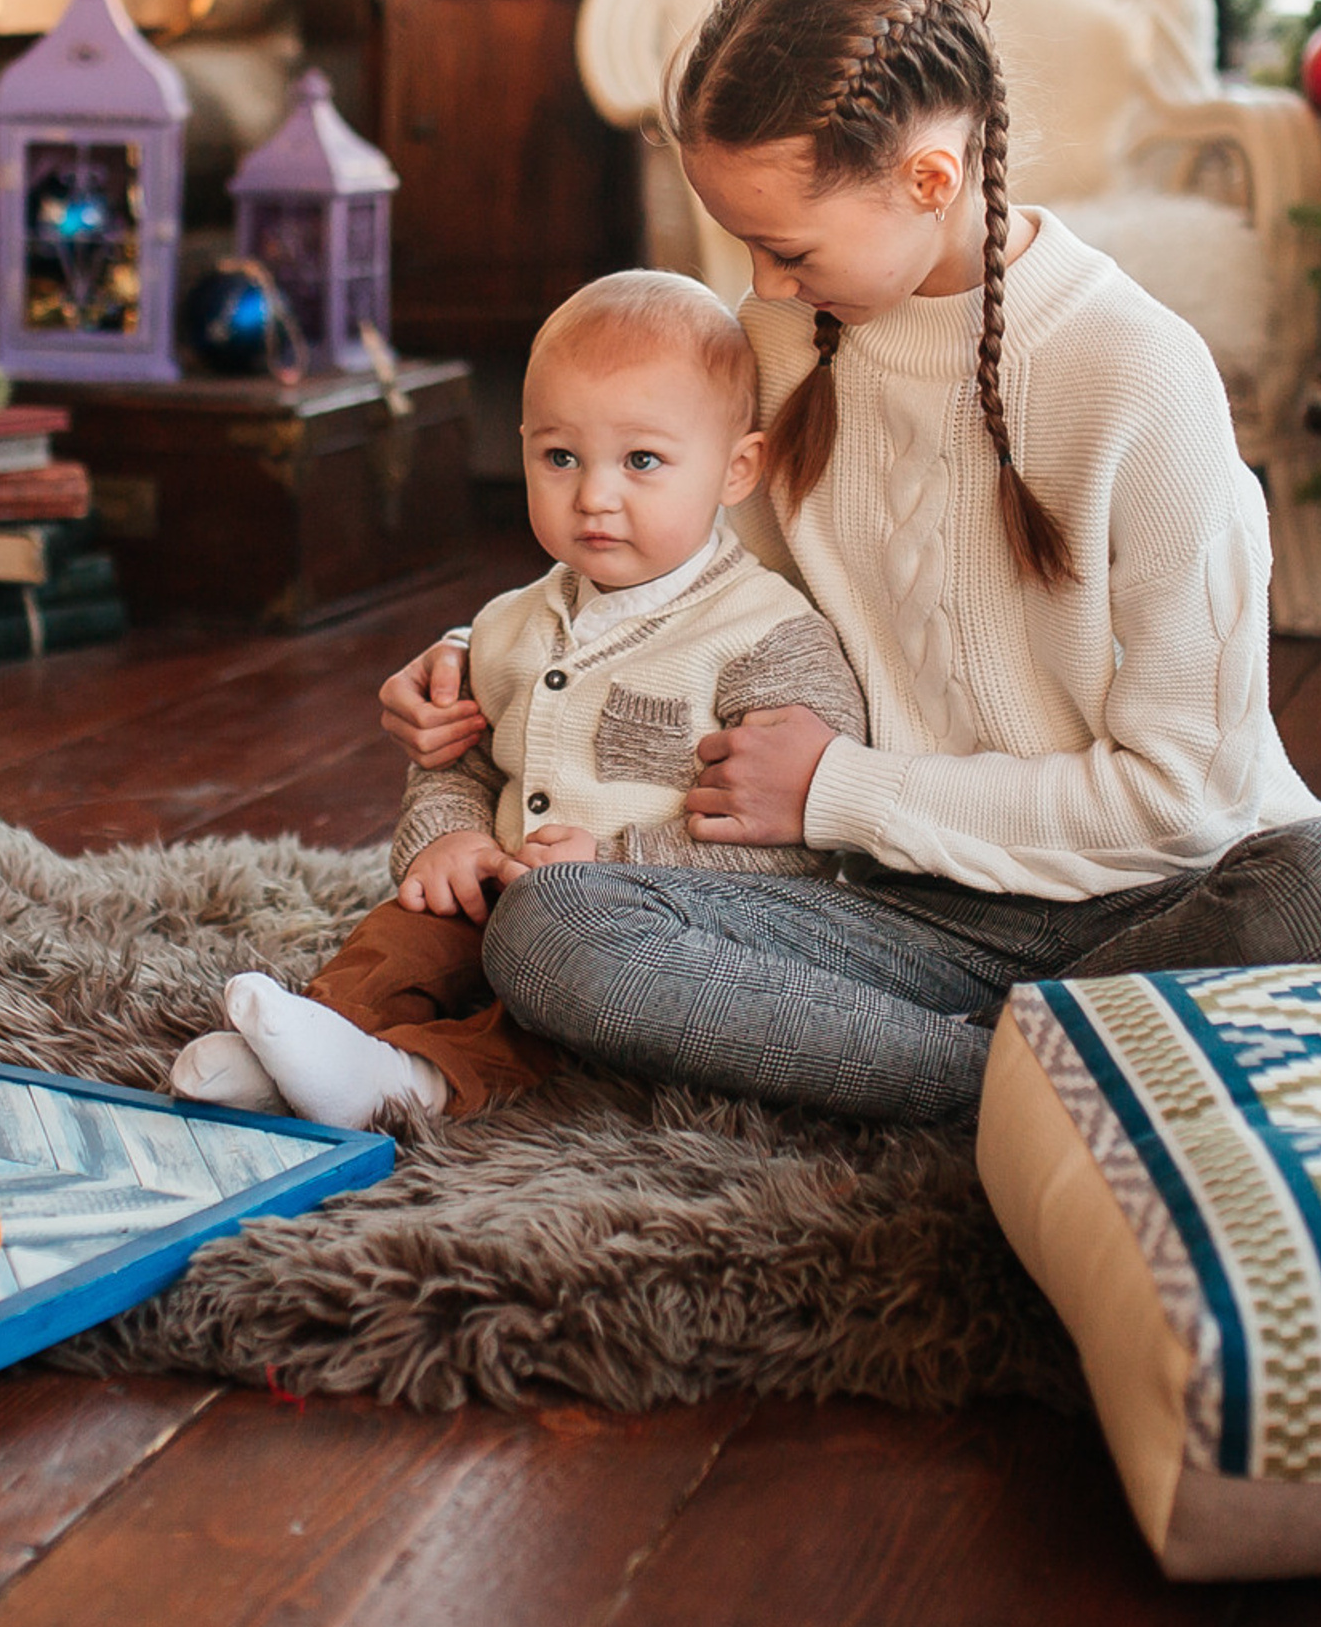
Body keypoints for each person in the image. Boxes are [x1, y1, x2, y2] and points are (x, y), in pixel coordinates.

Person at [378, 0, 1321, 1129]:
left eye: (788, 249)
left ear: (931, 180)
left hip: (1151, 907)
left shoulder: (1137, 375)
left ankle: (932, 1073)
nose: (763, 290)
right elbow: (686, 582)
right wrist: (476, 653)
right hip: (889, 910)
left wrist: (839, 787)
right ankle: (1024, 1082)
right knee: (560, 929)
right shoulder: (781, 342)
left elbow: (1187, 800)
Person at [172, 268, 865, 1129]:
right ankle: (315, 1032)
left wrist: (620, 865)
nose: (594, 495)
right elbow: (455, 756)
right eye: (559, 456)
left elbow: (795, 844)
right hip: (496, 886)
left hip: (652, 927)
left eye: (642, 461)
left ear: (736, 470)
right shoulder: (508, 625)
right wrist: (451, 836)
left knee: (543, 1020)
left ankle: (410, 1084)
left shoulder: (766, 635)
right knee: (400, 936)